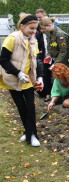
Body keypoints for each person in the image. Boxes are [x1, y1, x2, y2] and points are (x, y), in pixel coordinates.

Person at [0, 14, 43, 146]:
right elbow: (3, 60)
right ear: (21, 26)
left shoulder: (33, 40)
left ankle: (32, 135)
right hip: (13, 79)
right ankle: (28, 132)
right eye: (31, 28)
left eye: (35, 29)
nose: (33, 32)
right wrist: (18, 73)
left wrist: (40, 76)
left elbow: (36, 60)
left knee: (30, 107)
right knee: (22, 107)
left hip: (28, 80)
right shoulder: (12, 39)